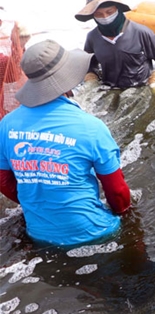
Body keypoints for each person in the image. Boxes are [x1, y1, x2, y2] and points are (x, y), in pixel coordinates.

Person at [0, 40, 131, 246]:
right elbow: (117, 191)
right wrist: (127, 217)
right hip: (97, 233)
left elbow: (4, 182)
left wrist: (38, 204)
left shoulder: (6, 125)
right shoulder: (91, 127)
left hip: (39, 236)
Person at [74, 0, 155, 89]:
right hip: (109, 89)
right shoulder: (92, 37)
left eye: (109, 12)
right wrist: (91, 76)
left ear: (118, 9)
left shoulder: (140, 32)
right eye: (99, 14)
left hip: (140, 87)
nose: (105, 17)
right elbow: (89, 64)